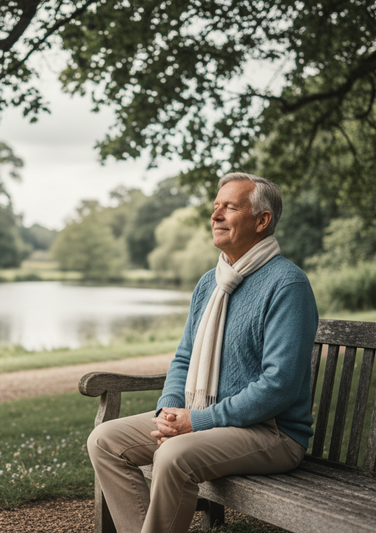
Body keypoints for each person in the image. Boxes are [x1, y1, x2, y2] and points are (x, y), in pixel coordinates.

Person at [87, 172, 318, 533]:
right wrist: (168, 411)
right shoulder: (210, 282)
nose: (216, 215)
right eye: (215, 207)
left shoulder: (287, 285)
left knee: (173, 455)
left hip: (272, 434)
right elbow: (183, 357)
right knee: (104, 441)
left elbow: (280, 384)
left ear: (262, 220)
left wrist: (196, 422)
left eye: (230, 207)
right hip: (206, 418)